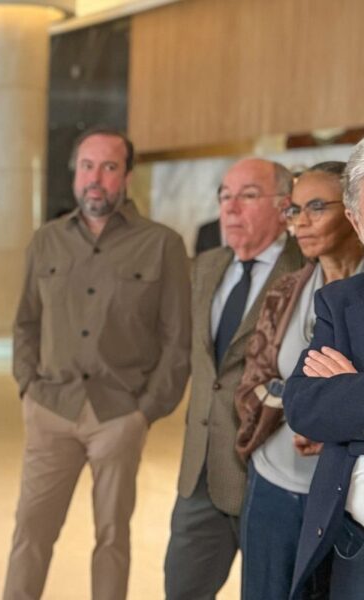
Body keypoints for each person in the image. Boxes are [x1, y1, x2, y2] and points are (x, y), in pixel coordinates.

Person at [4, 127, 191, 600]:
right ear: (75, 174)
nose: (96, 178)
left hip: (118, 415)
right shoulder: (46, 241)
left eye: (109, 167)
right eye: (87, 166)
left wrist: (145, 412)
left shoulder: (162, 244)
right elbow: (25, 322)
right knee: (30, 531)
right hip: (51, 409)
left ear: (126, 176)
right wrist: (28, 388)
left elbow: (177, 340)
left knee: (112, 537)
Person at [165, 157, 303, 598]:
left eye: (248, 195)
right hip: (200, 475)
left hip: (272, 475)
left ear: (284, 206)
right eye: (225, 196)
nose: (230, 207)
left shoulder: (306, 270)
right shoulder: (206, 266)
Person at [233, 161, 361, 599]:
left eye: (316, 207)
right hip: (275, 475)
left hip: (339, 494)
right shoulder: (288, 291)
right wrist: (318, 407)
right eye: (294, 210)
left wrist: (338, 409)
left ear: (349, 214)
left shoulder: (353, 296)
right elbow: (258, 382)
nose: (300, 222)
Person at [285, 140, 364, 598]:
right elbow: (303, 405)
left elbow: (331, 407)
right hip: (354, 548)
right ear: (357, 221)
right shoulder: (340, 301)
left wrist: (347, 392)